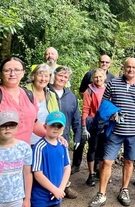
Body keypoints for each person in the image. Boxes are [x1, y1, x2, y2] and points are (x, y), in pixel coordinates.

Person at [0, 57, 47, 203]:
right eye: (7, 70)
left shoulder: (29, 95)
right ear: (1, 73)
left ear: (23, 73)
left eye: (17, 70)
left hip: (19, 164)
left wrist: (53, 136)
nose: (12, 73)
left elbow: (34, 123)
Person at [89, 58, 135, 207]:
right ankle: (102, 194)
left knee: (129, 161)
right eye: (128, 67)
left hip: (134, 131)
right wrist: (111, 114)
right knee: (107, 162)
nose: (130, 70)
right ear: (124, 67)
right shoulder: (113, 83)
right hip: (115, 130)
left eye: (134, 67)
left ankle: (124, 190)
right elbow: (104, 104)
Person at [0, 110, 33, 207]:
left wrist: (27, 199)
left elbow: (27, 174)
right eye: (3, 125)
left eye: (11, 125)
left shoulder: (24, 148)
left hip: (16, 199)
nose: (7, 128)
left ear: (17, 127)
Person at [73, 55, 115, 174]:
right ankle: (78, 166)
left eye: (107, 62)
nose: (104, 63)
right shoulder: (89, 77)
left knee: (102, 148)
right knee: (87, 144)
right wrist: (91, 99)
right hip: (91, 119)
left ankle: (99, 169)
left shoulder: (112, 79)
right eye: (102, 61)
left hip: (105, 122)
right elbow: (82, 92)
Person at [48, 66, 80, 199]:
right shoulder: (46, 91)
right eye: (60, 75)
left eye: (65, 77)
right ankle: (48, 189)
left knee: (62, 164)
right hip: (45, 136)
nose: (62, 78)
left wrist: (78, 136)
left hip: (64, 136)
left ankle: (64, 187)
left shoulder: (71, 96)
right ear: (54, 75)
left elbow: (76, 118)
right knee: (47, 164)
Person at [31, 111, 71, 207]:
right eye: (53, 125)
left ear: (63, 128)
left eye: (59, 126)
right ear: (45, 126)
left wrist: (60, 189)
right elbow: (37, 174)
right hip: (41, 199)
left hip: (57, 197)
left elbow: (67, 168)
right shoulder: (39, 147)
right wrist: (54, 190)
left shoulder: (63, 145)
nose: (56, 128)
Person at [81, 68, 107, 186]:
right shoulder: (89, 91)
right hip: (93, 124)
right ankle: (91, 174)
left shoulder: (108, 89)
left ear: (104, 77)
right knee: (92, 149)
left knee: (103, 151)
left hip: (106, 125)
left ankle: (101, 173)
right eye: (96, 77)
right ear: (93, 78)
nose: (98, 79)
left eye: (100, 77)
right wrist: (84, 125)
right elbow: (86, 109)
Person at [26, 64, 60, 146]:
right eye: (40, 75)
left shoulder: (52, 95)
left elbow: (56, 116)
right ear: (33, 76)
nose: (43, 79)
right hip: (27, 140)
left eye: (46, 76)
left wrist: (57, 135)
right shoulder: (25, 92)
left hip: (46, 139)